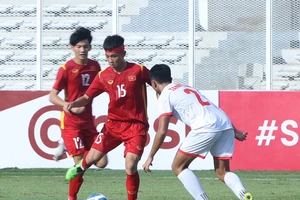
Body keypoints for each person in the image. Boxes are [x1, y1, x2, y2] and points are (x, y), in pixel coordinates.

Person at [142, 64, 254, 200]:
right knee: (222, 172)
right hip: (224, 124)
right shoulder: (186, 87)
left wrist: (150, 156)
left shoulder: (165, 95)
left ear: (153, 84)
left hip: (205, 127)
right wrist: (234, 130)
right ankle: (243, 194)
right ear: (170, 78)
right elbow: (213, 108)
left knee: (178, 166)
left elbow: (162, 131)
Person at [63, 34, 151, 200]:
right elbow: (87, 97)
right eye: (108, 57)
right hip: (113, 126)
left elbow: (157, 83)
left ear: (123, 54)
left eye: (114, 56)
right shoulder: (104, 75)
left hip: (136, 126)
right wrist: (72, 103)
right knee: (90, 159)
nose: (110, 60)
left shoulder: (138, 71)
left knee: (130, 164)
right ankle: (71, 196)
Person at [49, 27, 108, 200]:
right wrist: (68, 106)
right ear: (72, 47)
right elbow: (52, 96)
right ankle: (71, 198)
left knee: (102, 162)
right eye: (78, 46)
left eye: (85, 46)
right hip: (71, 123)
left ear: (90, 47)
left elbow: (103, 85)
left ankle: (65, 145)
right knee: (80, 165)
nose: (82, 50)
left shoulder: (95, 66)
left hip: (88, 123)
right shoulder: (66, 68)